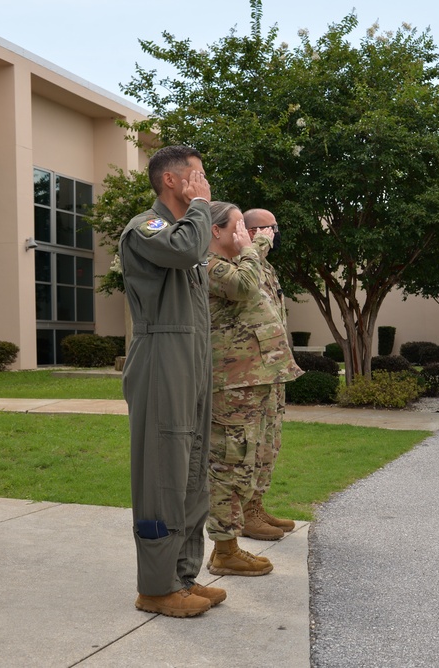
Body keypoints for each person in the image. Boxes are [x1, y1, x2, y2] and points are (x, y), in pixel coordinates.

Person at [119, 145, 225, 618]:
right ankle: (156, 588)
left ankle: (182, 577)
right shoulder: (149, 227)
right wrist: (202, 207)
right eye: (197, 177)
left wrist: (198, 213)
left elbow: (193, 250)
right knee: (164, 470)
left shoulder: (189, 231)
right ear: (171, 181)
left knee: (192, 469)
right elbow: (183, 252)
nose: (203, 185)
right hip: (162, 356)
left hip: (192, 358)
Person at [204, 202, 301, 572]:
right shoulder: (209, 265)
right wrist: (252, 247)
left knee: (249, 457)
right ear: (217, 231)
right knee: (229, 463)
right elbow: (243, 287)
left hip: (258, 376)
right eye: (239, 229)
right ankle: (225, 550)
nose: (253, 237)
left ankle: (241, 526)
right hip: (233, 382)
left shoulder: (244, 263)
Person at [241, 208, 300, 539]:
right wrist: (256, 247)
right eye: (268, 227)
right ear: (251, 232)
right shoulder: (240, 263)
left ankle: (257, 505)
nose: (274, 233)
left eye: (275, 227)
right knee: (250, 443)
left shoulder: (266, 267)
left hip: (273, 366)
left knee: (270, 441)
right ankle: (244, 514)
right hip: (252, 370)